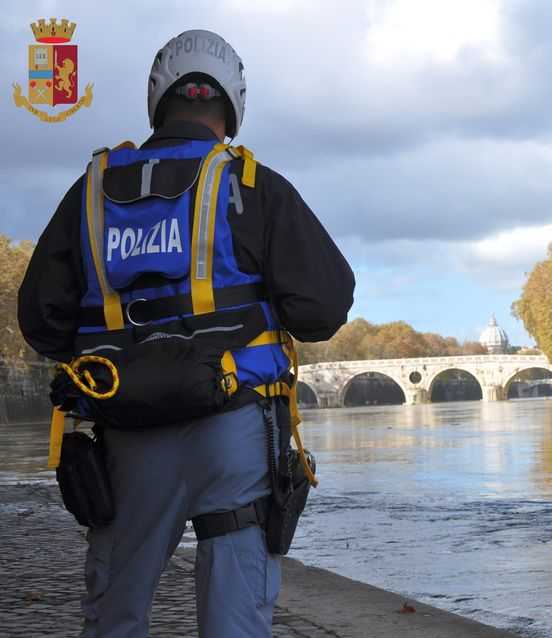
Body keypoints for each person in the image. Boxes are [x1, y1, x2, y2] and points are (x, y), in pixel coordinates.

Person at [18, 29, 355, 637]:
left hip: (127, 436)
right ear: (231, 106)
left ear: (158, 99)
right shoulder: (253, 185)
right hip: (232, 430)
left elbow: (41, 321)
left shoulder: (91, 189)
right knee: (235, 616)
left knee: (116, 615)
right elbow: (323, 307)